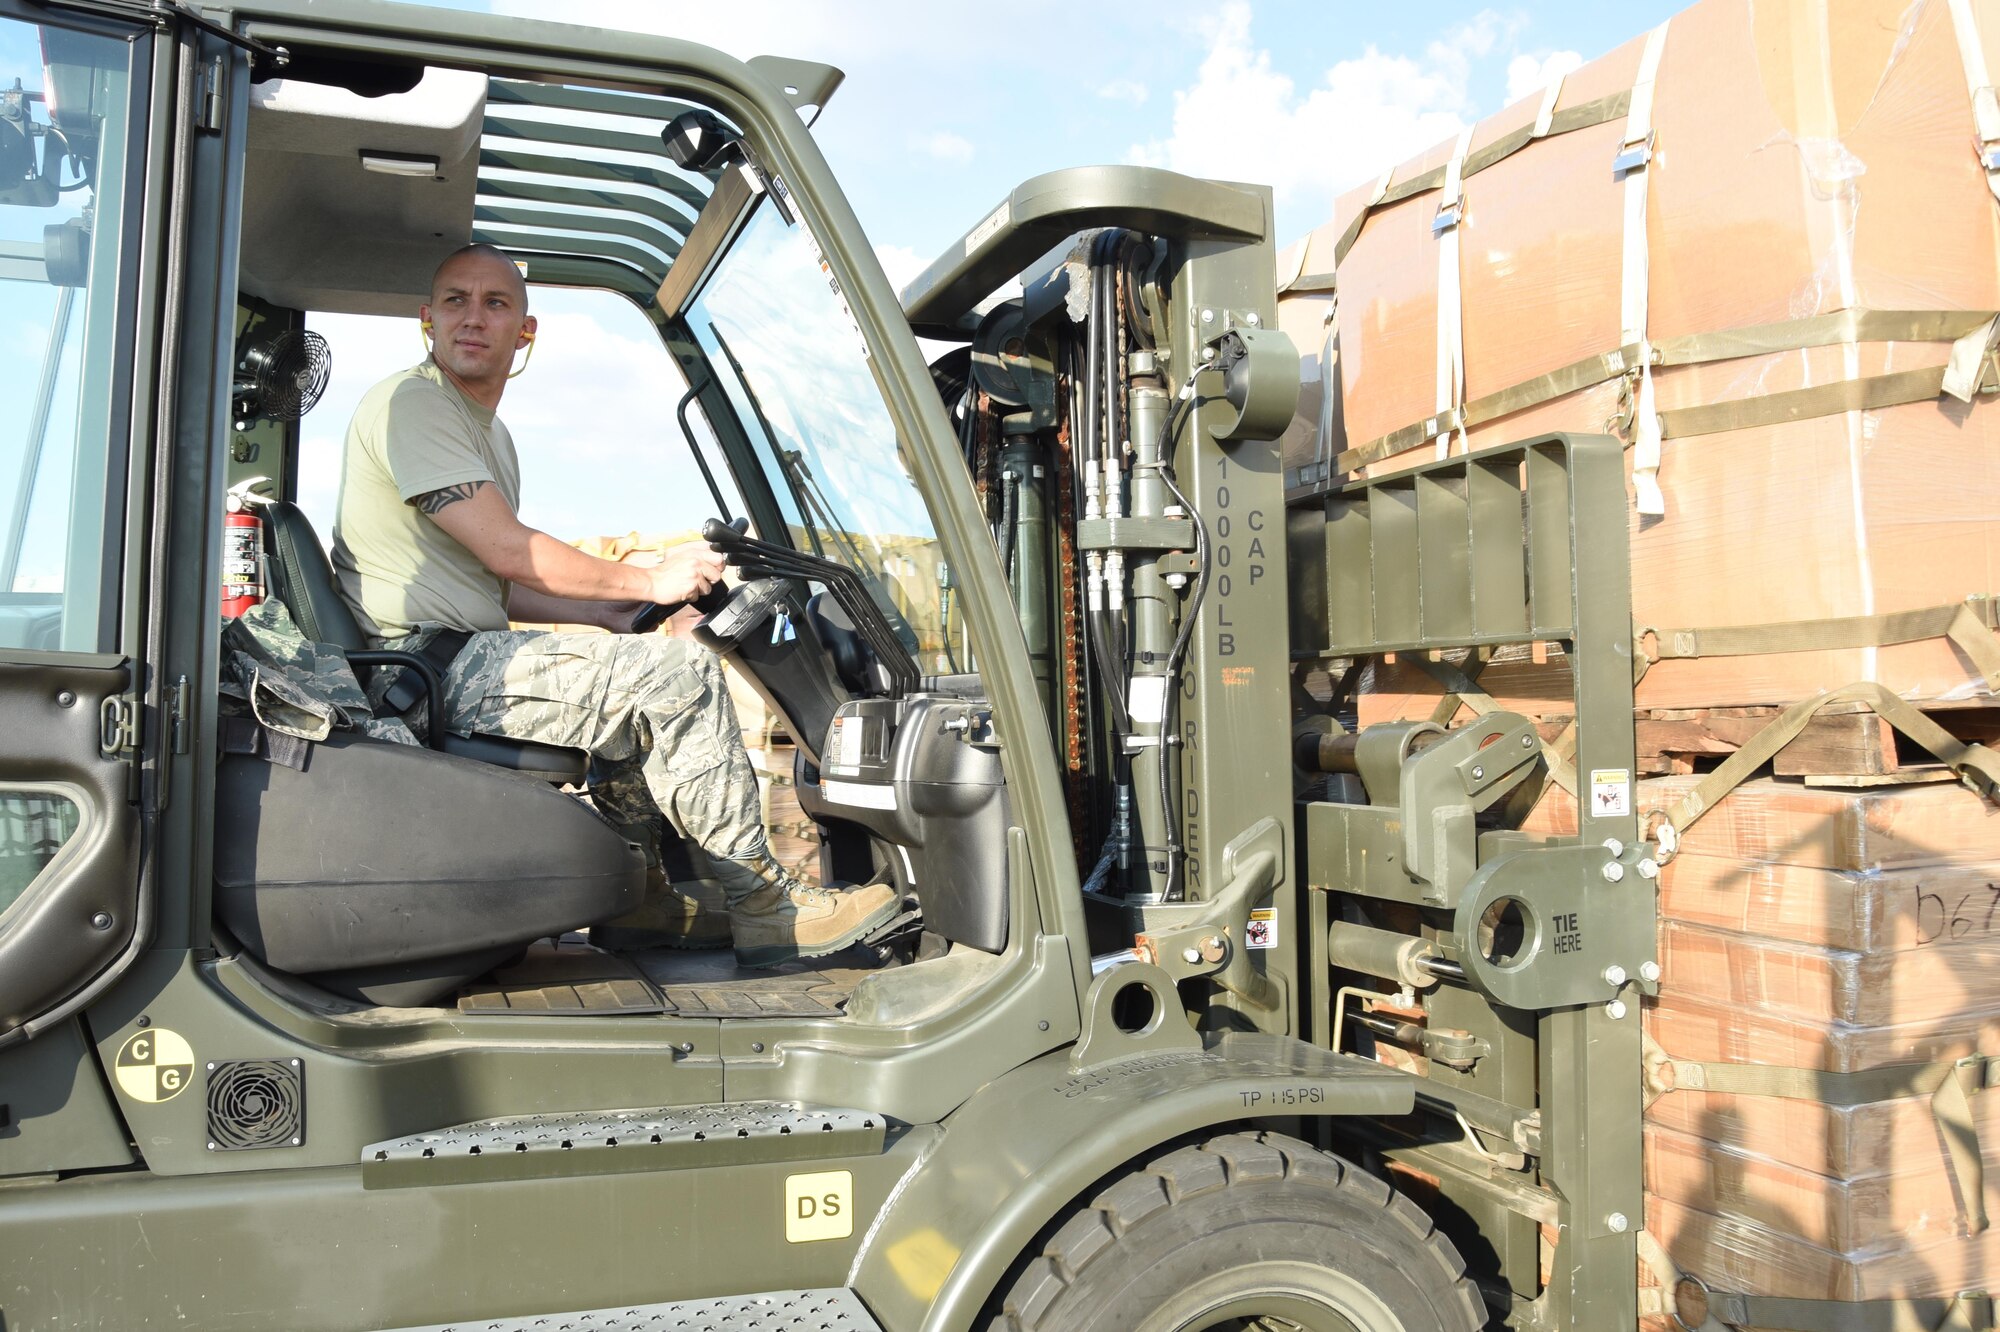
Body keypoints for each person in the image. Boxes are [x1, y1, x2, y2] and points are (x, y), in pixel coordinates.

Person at [328, 243, 899, 968]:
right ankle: (767, 907)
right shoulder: (413, 403)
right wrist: (648, 580)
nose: (473, 318)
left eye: (496, 303)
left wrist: (603, 614)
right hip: (420, 669)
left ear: (524, 334)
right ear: (426, 320)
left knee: (632, 672)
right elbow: (508, 550)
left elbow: (491, 578)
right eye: (455, 301)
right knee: (675, 680)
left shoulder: (489, 434)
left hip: (452, 652)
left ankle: (642, 898)